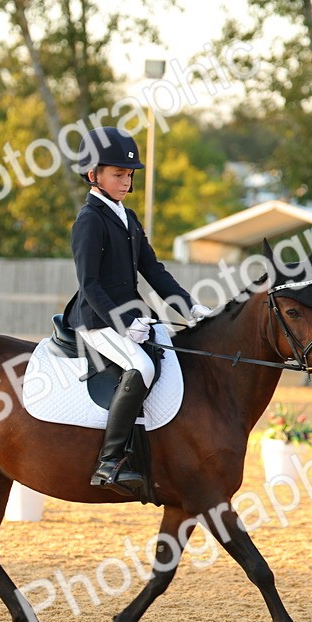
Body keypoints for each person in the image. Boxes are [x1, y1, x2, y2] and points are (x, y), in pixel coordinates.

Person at [62, 127, 211, 496]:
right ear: (93, 175)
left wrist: (189, 307)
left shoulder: (127, 217)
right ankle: (109, 461)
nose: (126, 181)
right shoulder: (89, 220)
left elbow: (154, 270)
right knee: (141, 367)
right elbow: (90, 284)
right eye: (118, 174)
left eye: (129, 175)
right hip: (97, 319)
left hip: (131, 316)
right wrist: (125, 323)